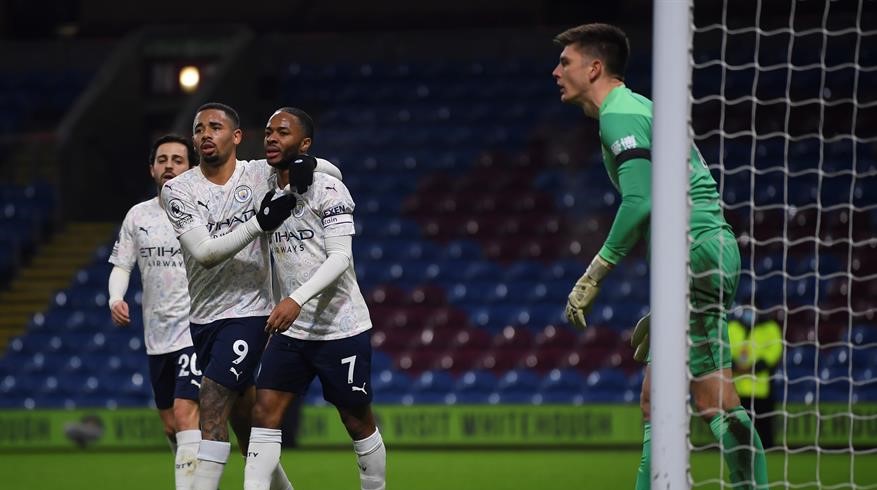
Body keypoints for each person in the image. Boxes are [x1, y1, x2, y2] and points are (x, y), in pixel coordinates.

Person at [552, 23, 769, 489]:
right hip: (700, 255)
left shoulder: (620, 114)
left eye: (565, 62)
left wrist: (595, 272)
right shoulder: (637, 109)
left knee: (713, 402)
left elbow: (640, 202)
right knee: (660, 401)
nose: (556, 72)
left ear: (594, 67)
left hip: (697, 252)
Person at [161, 102, 342, 490]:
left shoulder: (260, 173)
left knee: (209, 401)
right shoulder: (178, 190)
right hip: (204, 319)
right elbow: (206, 254)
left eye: (215, 127)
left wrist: (313, 164)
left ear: (236, 137)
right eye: (199, 129)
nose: (205, 134)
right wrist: (259, 223)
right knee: (245, 429)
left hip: (250, 313)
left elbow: (333, 175)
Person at [243, 108, 385, 490]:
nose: (271, 138)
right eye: (269, 131)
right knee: (264, 413)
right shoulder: (262, 183)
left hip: (341, 326)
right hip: (293, 332)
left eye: (283, 133)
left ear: (304, 144)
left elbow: (340, 257)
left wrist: (296, 299)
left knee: (356, 420)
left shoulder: (329, 188)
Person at [107, 134, 202, 489]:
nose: (169, 166)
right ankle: (202, 474)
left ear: (190, 168)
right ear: (152, 169)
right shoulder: (138, 216)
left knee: (183, 411)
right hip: (157, 335)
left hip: (195, 329)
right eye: (162, 160)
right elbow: (122, 265)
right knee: (170, 424)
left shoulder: (203, 211)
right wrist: (116, 298)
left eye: (178, 159)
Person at [729, 307, 783, 449]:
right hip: (737, 390)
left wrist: (755, 367)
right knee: (739, 432)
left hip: (761, 389)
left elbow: (774, 351)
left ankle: (768, 456)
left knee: (764, 430)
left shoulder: (770, 328)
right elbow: (723, 350)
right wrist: (734, 365)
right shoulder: (732, 327)